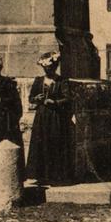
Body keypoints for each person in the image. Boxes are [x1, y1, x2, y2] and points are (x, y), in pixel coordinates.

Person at [26, 51, 74, 185]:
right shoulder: (38, 80)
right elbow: (31, 98)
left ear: (55, 67)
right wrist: (37, 99)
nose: (48, 70)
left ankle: (56, 175)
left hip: (55, 117)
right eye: (46, 68)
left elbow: (68, 98)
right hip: (42, 116)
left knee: (55, 143)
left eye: (51, 68)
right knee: (41, 143)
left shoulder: (61, 81)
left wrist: (56, 102)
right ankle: (41, 175)